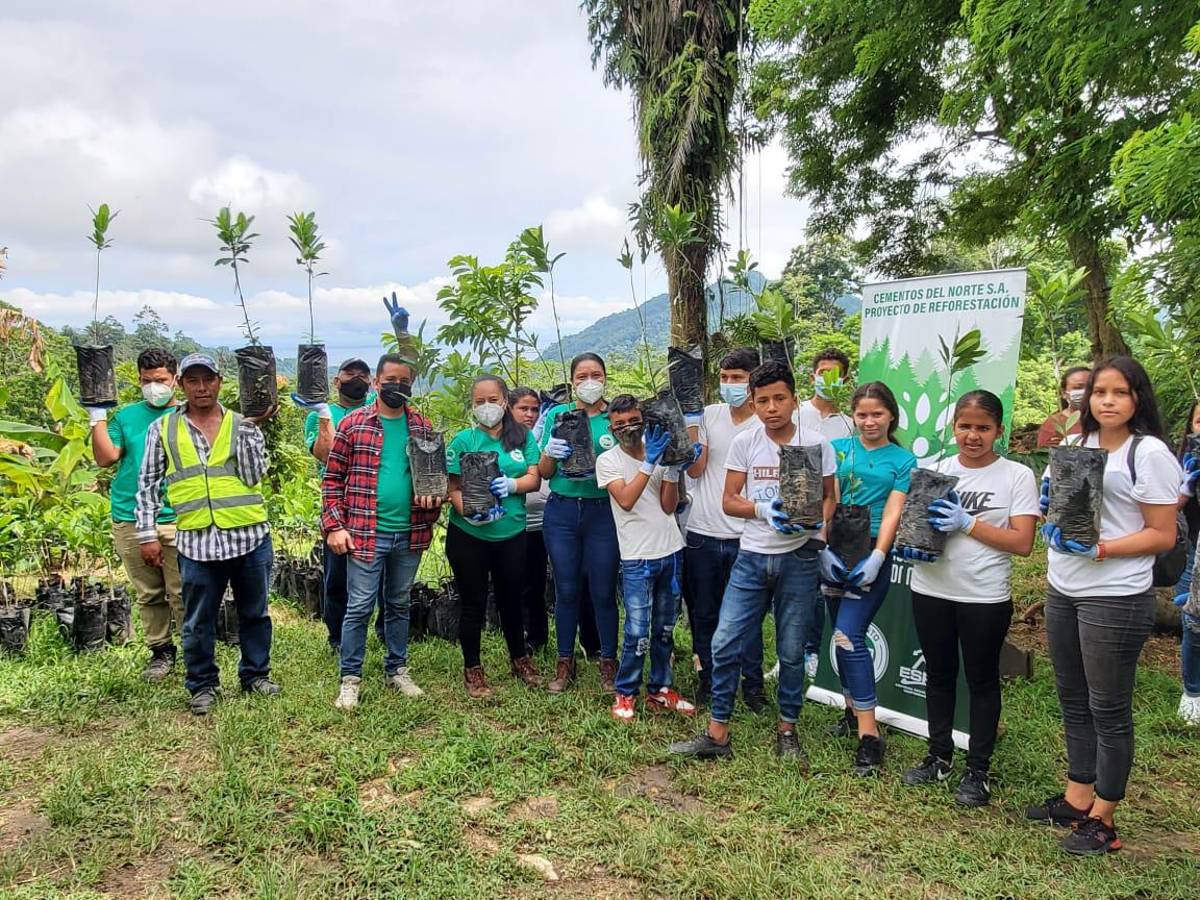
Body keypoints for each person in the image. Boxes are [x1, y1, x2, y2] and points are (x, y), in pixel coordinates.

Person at [1028, 357, 1181, 855]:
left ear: (1138, 398)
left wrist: (1102, 549)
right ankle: (1078, 796)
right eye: (1099, 392)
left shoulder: (1148, 453)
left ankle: (1104, 818)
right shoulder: (1075, 444)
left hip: (1116, 593)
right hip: (1063, 586)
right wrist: (1051, 517)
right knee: (1072, 697)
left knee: (1108, 707)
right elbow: (1061, 511)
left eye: (1120, 392)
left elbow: (1162, 534)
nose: (1107, 401)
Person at [669, 361, 836, 761]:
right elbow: (730, 500)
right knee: (725, 641)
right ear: (754, 402)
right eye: (763, 400)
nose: (771, 408)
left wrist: (819, 530)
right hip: (753, 556)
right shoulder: (746, 442)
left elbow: (830, 496)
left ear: (794, 399)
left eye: (779, 398)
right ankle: (717, 733)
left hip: (799, 558)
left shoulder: (816, 444)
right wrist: (763, 510)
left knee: (791, 651)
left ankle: (787, 730)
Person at [897, 390, 1038, 806]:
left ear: (999, 430)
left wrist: (967, 523)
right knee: (938, 675)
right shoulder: (935, 471)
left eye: (983, 428)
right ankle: (938, 756)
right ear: (953, 427)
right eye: (965, 426)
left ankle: (978, 770)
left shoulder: (1015, 476)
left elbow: (1023, 542)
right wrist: (910, 544)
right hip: (931, 589)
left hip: (983, 596)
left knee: (981, 680)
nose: (973, 435)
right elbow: (914, 527)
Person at [134, 353, 278, 715]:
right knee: (197, 620)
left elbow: (253, 476)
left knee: (255, 613)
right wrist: (147, 534)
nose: (202, 388)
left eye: (208, 379)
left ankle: (255, 675)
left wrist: (251, 431)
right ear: (181, 384)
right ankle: (202, 685)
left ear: (219, 382)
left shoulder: (241, 424)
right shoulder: (163, 429)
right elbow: (147, 484)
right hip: (197, 542)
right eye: (193, 380)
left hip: (248, 537)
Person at [321, 354, 444, 711]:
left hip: (410, 531)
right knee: (359, 606)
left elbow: (434, 480)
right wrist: (334, 526)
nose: (397, 387)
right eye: (390, 380)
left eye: (404, 382)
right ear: (376, 383)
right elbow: (332, 479)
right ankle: (350, 679)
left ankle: (397, 669)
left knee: (399, 602)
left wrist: (433, 498)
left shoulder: (422, 427)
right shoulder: (354, 424)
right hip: (364, 532)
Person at [822, 382, 916, 776]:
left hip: (871, 553)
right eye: (862, 414)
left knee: (849, 635)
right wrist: (821, 546)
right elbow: (827, 498)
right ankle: (850, 711)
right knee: (837, 634)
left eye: (877, 414)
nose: (869, 421)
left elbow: (894, 510)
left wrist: (879, 555)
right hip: (834, 551)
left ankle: (869, 735)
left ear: (891, 415)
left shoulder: (903, 460)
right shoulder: (838, 449)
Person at [598, 396, 695, 721]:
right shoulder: (608, 460)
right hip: (637, 558)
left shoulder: (660, 452)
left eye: (633, 421)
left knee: (665, 629)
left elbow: (668, 506)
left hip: (670, 550)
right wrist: (650, 463)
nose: (627, 428)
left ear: (644, 420)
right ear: (611, 427)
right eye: (620, 423)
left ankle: (660, 689)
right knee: (637, 631)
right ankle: (626, 692)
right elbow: (626, 500)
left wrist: (673, 469)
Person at [89, 348, 184, 682]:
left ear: (175, 380)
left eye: (160, 380)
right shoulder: (126, 417)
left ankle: (195, 650)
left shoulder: (189, 415)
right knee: (148, 592)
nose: (153, 387)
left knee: (183, 591)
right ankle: (161, 651)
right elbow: (106, 458)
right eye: (146, 381)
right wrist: (97, 417)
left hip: (178, 516)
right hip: (130, 515)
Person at [445, 376, 543, 697]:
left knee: (511, 600)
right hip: (469, 536)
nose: (486, 407)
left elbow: (534, 477)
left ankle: (519, 659)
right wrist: (469, 512)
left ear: (504, 401)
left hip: (511, 533)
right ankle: (473, 668)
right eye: (479, 402)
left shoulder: (522, 438)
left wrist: (512, 485)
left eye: (492, 400)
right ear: (472, 405)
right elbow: (452, 487)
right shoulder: (463, 441)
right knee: (473, 602)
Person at [682, 347, 767, 708]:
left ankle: (753, 685)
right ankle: (709, 678)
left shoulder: (765, 422)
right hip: (702, 531)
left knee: (748, 616)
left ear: (753, 382)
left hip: (747, 535)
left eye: (738, 378)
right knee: (704, 613)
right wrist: (691, 425)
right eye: (724, 378)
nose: (730, 384)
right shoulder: (708, 415)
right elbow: (695, 469)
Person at [538, 352, 621, 693]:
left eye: (596, 375)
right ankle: (564, 662)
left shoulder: (614, 416)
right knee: (567, 588)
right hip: (562, 512)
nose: (589, 382)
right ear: (572, 382)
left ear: (605, 378)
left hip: (603, 512)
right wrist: (550, 452)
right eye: (582, 376)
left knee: (603, 590)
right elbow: (544, 473)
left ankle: (608, 662)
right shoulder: (558, 415)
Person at [297, 357, 383, 654]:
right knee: (337, 578)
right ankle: (337, 637)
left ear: (371, 382)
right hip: (338, 505)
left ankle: (385, 632)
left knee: (384, 575)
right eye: (350, 373)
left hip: (375, 502)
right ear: (337, 380)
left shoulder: (376, 409)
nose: (356, 378)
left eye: (363, 374)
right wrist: (323, 415)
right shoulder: (321, 416)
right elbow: (326, 455)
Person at [1173, 400, 1200, 724]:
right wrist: (1186, 487)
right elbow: (1166, 510)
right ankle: (1192, 691)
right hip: (1192, 546)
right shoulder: (1181, 462)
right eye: (1199, 421)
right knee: (1193, 621)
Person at [796, 347, 854, 440]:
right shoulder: (795, 412)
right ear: (813, 378)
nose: (828, 378)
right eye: (823, 373)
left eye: (835, 374)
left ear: (844, 380)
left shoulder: (849, 426)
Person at [1036, 366, 1090, 448]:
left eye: (1090, 387)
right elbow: (1046, 454)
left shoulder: (1105, 420)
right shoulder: (1054, 424)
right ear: (1064, 393)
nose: (1086, 392)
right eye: (1078, 388)